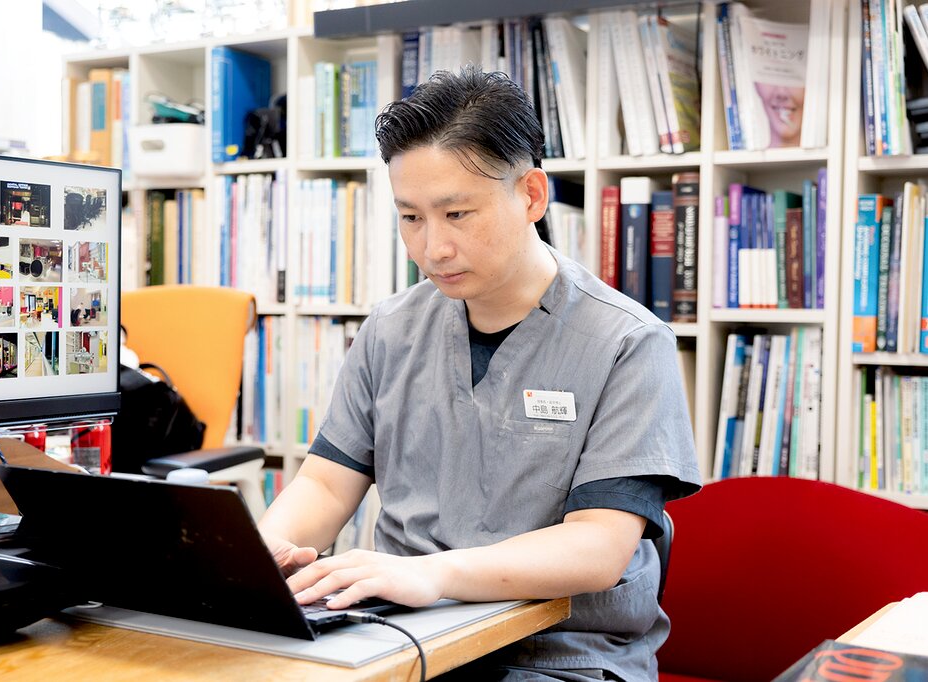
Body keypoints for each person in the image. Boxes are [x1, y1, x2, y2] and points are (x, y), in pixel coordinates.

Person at [257, 66, 701, 681]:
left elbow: (599, 548)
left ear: (532, 196)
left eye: (457, 214)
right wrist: (252, 563)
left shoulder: (628, 343)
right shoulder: (390, 329)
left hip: (556, 657)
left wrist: (430, 574)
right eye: (411, 218)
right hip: (399, 639)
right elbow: (328, 488)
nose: (432, 248)